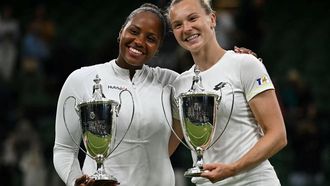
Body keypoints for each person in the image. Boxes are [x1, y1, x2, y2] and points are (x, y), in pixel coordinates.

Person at [53, 3, 178, 186]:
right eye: (134, 31)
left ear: (158, 48)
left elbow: (211, 81)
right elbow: (64, 149)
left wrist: (235, 60)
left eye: (151, 38)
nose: (139, 41)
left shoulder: (171, 82)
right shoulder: (82, 79)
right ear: (121, 32)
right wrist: (75, 181)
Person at [167, 0, 287, 185]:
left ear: (212, 19)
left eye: (193, 18)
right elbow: (166, 147)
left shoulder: (245, 64)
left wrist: (233, 169)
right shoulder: (179, 85)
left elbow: (278, 135)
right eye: (177, 25)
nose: (187, 28)